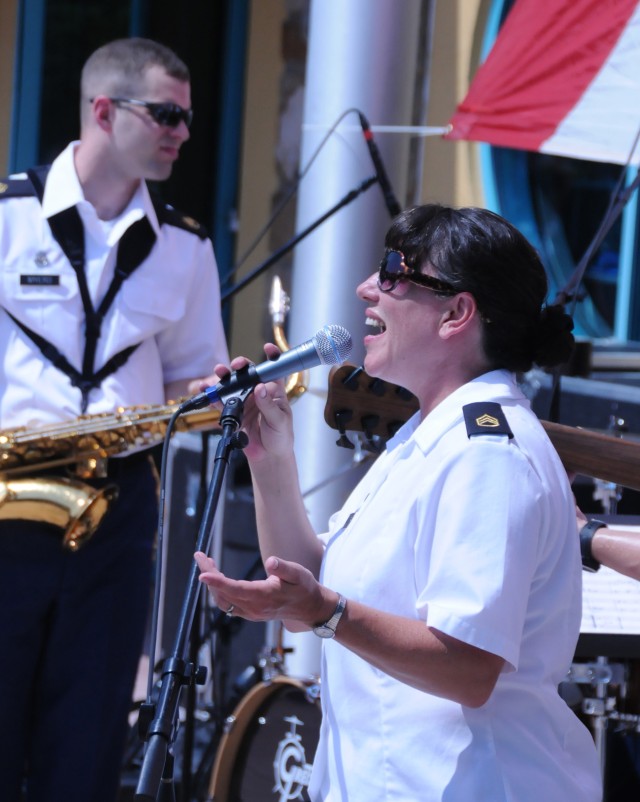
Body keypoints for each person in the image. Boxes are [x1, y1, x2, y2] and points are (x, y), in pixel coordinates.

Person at [196, 204, 603, 801]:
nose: (367, 288)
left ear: (457, 313)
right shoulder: (426, 433)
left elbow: (469, 666)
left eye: (393, 272)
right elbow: (316, 579)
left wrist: (325, 613)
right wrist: (270, 458)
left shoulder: (487, 452)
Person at [0, 38, 228, 802]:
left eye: (188, 119)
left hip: (120, 510)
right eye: (166, 114)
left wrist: (227, 388)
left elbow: (190, 375)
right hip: (9, 492)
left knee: (90, 733)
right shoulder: (7, 218)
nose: (182, 133)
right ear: (104, 110)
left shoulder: (188, 246)